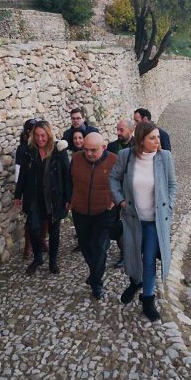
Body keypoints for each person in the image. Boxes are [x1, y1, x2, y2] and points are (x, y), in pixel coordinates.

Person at [110, 121, 177, 321]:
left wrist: (169, 204)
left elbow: (173, 184)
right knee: (132, 257)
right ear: (141, 140)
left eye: (157, 137)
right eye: (152, 138)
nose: (157, 141)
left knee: (148, 260)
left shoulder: (164, 157)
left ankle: (148, 299)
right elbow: (113, 178)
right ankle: (135, 282)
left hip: (154, 222)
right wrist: (120, 200)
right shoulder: (126, 156)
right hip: (133, 219)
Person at [14, 120, 71, 275]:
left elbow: (67, 175)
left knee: (54, 231)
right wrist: (18, 195)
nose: (40, 139)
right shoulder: (29, 151)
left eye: (43, 135)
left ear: (49, 135)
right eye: (37, 135)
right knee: (33, 228)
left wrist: (69, 198)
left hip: (54, 198)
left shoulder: (59, 151)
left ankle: (53, 261)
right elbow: (23, 176)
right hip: (34, 198)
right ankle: (38, 257)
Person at [69, 133, 118, 300]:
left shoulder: (114, 161)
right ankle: (94, 272)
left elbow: (123, 183)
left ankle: (97, 283)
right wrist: (70, 199)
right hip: (80, 211)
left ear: (103, 147)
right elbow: (69, 180)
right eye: (85, 150)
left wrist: (114, 200)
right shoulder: (76, 158)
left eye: (93, 150)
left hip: (104, 212)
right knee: (85, 246)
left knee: (100, 248)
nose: (88, 153)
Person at [15, 118, 48, 258]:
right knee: (31, 219)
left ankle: (42, 239)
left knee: (45, 218)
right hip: (30, 189)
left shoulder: (45, 146)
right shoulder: (23, 149)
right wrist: (19, 193)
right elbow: (19, 171)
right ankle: (28, 246)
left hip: (44, 189)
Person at [106, 119, 135, 268]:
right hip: (116, 193)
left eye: (121, 130)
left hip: (133, 193)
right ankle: (124, 252)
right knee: (117, 225)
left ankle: (131, 253)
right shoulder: (112, 147)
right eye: (117, 129)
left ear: (131, 131)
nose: (118, 132)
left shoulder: (138, 147)